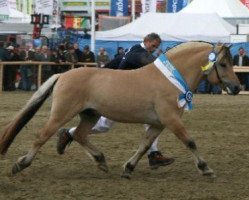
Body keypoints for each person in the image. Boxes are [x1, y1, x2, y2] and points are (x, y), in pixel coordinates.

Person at [57, 33, 175, 169]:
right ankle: (69, 133)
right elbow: (151, 63)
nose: (154, 49)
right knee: (104, 125)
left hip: (130, 95)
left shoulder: (134, 50)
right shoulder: (138, 51)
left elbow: (116, 62)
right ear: (147, 41)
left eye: (156, 47)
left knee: (151, 121)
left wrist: (100, 74)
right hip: (119, 96)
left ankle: (154, 154)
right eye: (153, 46)